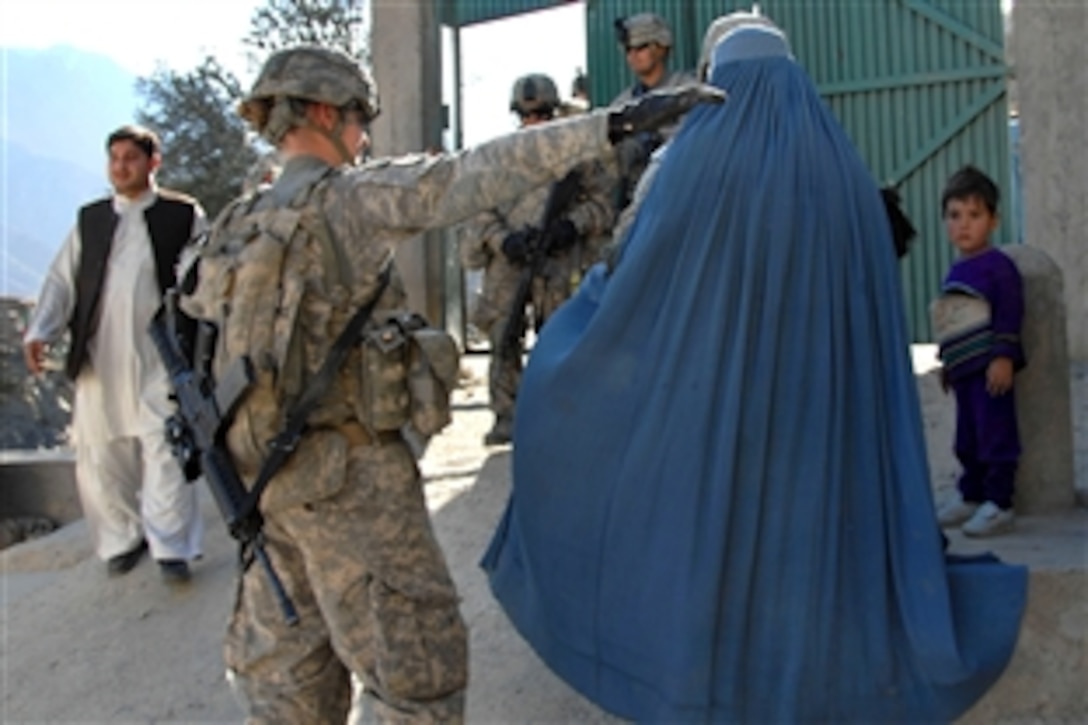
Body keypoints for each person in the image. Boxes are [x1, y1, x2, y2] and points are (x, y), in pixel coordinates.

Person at [482, 16, 1027, 723]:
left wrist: (573, 339)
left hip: (718, 411)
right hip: (819, 417)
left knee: (723, 531)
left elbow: (628, 278)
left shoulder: (682, 168)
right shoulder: (846, 173)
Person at [177, 45, 721, 723]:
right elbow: (467, 176)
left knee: (287, 694)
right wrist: (611, 124)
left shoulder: (235, 221)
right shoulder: (346, 199)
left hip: (265, 491)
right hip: (353, 490)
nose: (363, 135)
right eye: (355, 117)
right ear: (317, 112)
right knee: (417, 682)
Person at [23, 125, 206, 585]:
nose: (121, 166)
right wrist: (40, 330)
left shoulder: (181, 215)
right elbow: (62, 281)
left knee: (165, 445)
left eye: (131, 158)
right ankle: (122, 538)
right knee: (103, 453)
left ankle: (170, 546)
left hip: (162, 353)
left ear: (153, 163)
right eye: (115, 158)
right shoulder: (91, 220)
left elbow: (202, 272)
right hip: (100, 355)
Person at [459, 74, 613, 446]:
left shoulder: (578, 157)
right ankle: (506, 415)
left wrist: (570, 227)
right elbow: (477, 211)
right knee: (503, 333)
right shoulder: (498, 157)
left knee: (561, 334)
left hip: (558, 258)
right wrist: (503, 240)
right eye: (526, 116)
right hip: (509, 261)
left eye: (542, 114)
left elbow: (603, 205)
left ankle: (562, 411)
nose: (534, 123)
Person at [933, 165, 1024, 537]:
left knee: (995, 433)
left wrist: (1003, 357)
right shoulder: (956, 271)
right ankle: (971, 495)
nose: (964, 225)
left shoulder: (999, 269)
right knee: (966, 437)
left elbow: (1009, 314)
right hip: (965, 371)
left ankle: (999, 503)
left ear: (993, 220)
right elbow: (953, 321)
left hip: (991, 370)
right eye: (955, 216)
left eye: (974, 215)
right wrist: (947, 363)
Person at [609, 13, 696, 211]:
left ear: (661, 47)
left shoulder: (688, 92)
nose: (633, 55)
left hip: (684, 199)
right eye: (628, 49)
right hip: (638, 205)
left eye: (641, 47)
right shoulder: (621, 105)